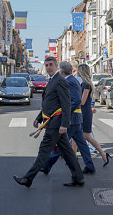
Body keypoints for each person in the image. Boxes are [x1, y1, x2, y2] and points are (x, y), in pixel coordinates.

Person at [13, 57, 84, 188]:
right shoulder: (52, 80)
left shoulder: (60, 81)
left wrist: (64, 124)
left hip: (56, 124)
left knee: (43, 150)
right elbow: (49, 104)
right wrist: (38, 118)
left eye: (51, 65)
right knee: (68, 153)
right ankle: (78, 178)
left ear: (57, 66)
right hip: (52, 121)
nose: (48, 67)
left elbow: (66, 104)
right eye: (46, 65)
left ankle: (28, 178)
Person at [41, 62, 96, 175]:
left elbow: (76, 101)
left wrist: (65, 112)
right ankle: (90, 166)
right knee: (82, 144)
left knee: (62, 144)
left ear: (61, 72)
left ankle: (47, 166)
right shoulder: (73, 81)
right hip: (77, 118)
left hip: (72, 118)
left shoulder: (69, 81)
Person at [77, 63, 110, 166]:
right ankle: (73, 159)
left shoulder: (86, 85)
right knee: (77, 136)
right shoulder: (84, 84)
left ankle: (103, 154)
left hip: (85, 113)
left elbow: (82, 101)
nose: (76, 72)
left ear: (81, 72)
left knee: (86, 136)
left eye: (78, 70)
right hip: (81, 112)